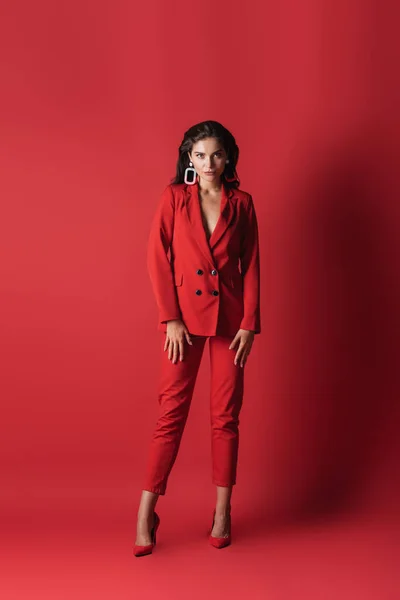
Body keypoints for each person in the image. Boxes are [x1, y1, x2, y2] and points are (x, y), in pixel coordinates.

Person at [134, 120, 261, 556]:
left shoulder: (242, 204)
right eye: (201, 155)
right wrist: (169, 318)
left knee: (226, 415)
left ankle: (223, 512)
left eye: (217, 154)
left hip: (229, 321)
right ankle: (145, 512)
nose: (209, 163)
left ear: (229, 158)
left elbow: (252, 266)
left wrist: (249, 322)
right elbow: (156, 257)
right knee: (170, 411)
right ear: (189, 158)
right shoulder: (174, 198)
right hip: (183, 321)